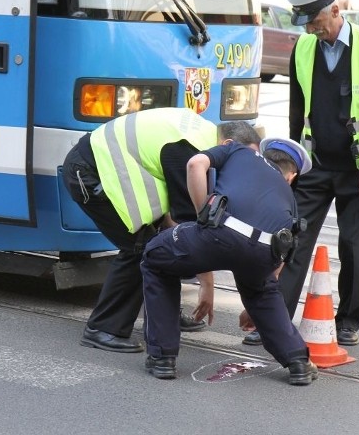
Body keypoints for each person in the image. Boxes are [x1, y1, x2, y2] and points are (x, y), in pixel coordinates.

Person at [242, 0, 359, 348]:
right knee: (292, 241)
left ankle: (347, 321)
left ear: (335, 11)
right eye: (306, 24)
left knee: (353, 246)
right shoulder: (303, 47)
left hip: (358, 167)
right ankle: (275, 320)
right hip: (314, 165)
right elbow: (296, 111)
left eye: (316, 22)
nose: (311, 30)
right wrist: (290, 163)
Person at [62, 108, 258, 352]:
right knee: (140, 249)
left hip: (105, 168)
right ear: (228, 143)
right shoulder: (189, 150)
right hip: (91, 174)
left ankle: (164, 316)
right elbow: (189, 226)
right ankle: (103, 328)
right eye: (243, 160)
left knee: (162, 244)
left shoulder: (203, 138)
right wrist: (207, 284)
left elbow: (178, 223)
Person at [141, 132, 317, 385]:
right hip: (263, 253)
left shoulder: (238, 151)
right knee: (263, 290)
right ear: (291, 175)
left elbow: (194, 164)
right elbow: (283, 255)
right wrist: (256, 300)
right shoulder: (289, 197)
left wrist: (203, 216)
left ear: (263, 154)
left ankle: (162, 358)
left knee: (156, 258)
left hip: (219, 235)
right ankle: (298, 361)